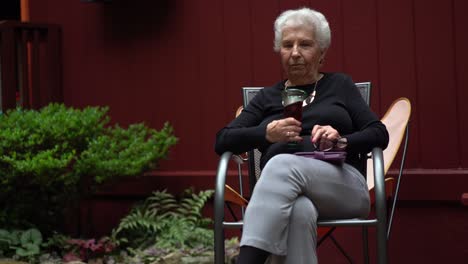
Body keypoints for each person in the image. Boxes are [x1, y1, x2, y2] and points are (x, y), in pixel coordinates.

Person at [214, 7, 389, 264]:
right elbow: (223, 139)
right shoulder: (267, 97)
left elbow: (379, 133)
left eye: (305, 44)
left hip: (342, 185)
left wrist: (342, 140)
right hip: (284, 191)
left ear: (321, 53)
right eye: (287, 45)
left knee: (282, 165)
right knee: (298, 211)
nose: (295, 53)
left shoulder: (340, 85)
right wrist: (266, 133)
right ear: (280, 52)